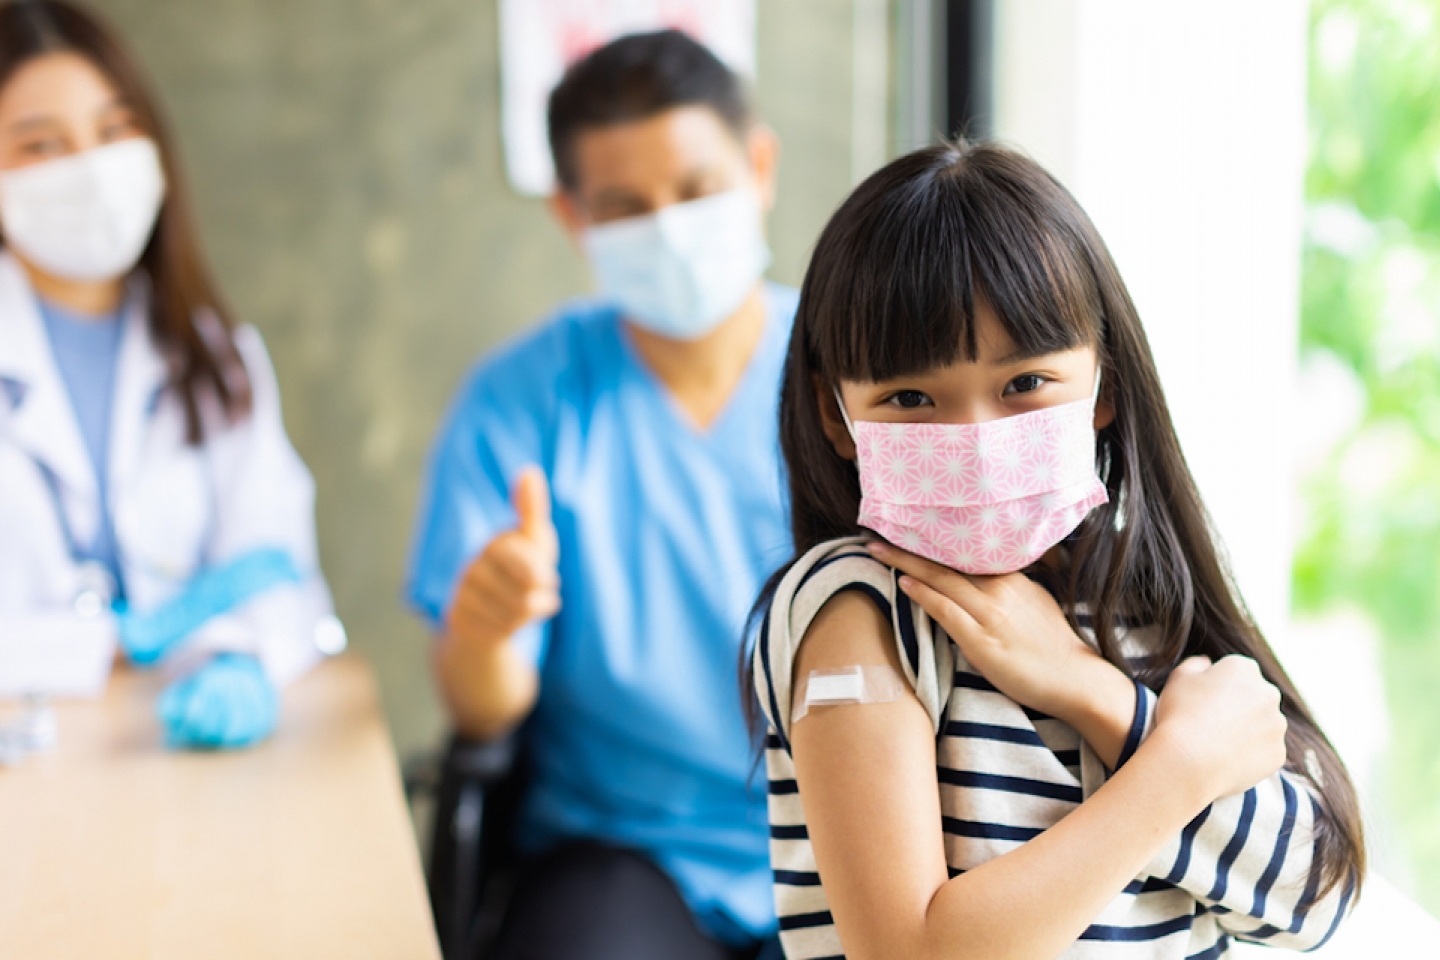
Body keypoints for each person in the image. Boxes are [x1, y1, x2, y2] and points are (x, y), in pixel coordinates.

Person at [747, 141, 1365, 959]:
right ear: (837, 418)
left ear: (1104, 387)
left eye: (1025, 385)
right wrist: (1174, 767)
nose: (974, 437)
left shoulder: (1142, 595)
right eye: (909, 397)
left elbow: (1312, 900)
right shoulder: (859, 607)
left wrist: (1093, 696)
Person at [406, 30, 789, 960]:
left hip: (859, 831)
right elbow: (481, 711)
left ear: (760, 165)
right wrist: (490, 628)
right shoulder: (522, 399)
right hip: (620, 853)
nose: (669, 228)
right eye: (624, 207)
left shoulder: (866, 379)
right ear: (572, 217)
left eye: (697, 191)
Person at [0, 0, 339, 749]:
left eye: (114, 130)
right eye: (41, 145)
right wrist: (104, 643)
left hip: (167, 761)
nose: (90, 168)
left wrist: (239, 660)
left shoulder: (214, 357)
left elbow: (280, 569)